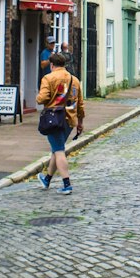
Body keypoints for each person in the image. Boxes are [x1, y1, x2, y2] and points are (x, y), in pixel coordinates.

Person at [36, 50, 84, 195]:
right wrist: (80, 122)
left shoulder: (48, 78)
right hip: (70, 119)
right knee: (56, 149)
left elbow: (42, 98)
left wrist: (39, 97)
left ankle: (66, 184)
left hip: (54, 119)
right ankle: (47, 179)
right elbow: (80, 104)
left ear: (51, 65)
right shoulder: (74, 80)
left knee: (59, 151)